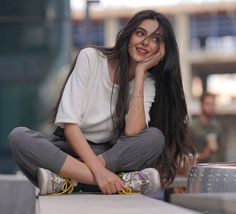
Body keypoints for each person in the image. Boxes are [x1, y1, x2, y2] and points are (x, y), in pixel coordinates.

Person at [8, 10, 195, 196]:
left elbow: (132, 132)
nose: (146, 42)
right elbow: (70, 127)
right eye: (140, 33)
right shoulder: (90, 58)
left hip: (107, 154)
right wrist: (99, 172)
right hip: (67, 149)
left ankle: (67, 181)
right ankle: (117, 183)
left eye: (156, 39)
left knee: (154, 138)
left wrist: (139, 74)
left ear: (161, 49)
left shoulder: (146, 82)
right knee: (19, 137)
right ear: (128, 35)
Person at [191, 92, 225, 163]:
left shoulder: (217, 126)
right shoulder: (193, 127)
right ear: (201, 105)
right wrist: (202, 155)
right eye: (207, 104)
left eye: (212, 104)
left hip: (216, 168)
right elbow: (187, 155)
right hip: (199, 169)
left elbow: (222, 152)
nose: (210, 107)